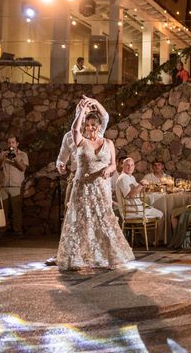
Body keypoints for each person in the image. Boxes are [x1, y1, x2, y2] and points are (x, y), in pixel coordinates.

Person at [55, 98, 134, 270]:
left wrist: (110, 169)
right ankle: (75, 256)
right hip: (82, 185)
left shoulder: (107, 141)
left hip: (101, 186)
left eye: (93, 125)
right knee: (80, 220)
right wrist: (82, 111)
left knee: (104, 219)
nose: (90, 128)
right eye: (88, 125)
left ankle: (108, 256)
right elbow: (73, 132)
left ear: (98, 127)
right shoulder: (77, 139)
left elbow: (114, 163)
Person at [56, 96, 109, 208]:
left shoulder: (96, 133)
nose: (83, 115)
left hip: (94, 176)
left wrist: (96, 102)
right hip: (76, 175)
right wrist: (60, 165)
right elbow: (62, 158)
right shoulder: (69, 136)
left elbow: (105, 117)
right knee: (70, 209)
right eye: (80, 111)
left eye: (86, 113)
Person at [0, 135, 28, 235]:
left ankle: (17, 231)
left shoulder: (23, 155)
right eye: (9, 143)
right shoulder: (2, 154)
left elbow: (23, 168)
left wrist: (15, 158)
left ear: (17, 144)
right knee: (2, 210)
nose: (11, 145)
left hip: (16, 186)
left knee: (16, 211)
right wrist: (2, 159)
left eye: (13, 142)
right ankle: (1, 231)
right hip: (3, 185)